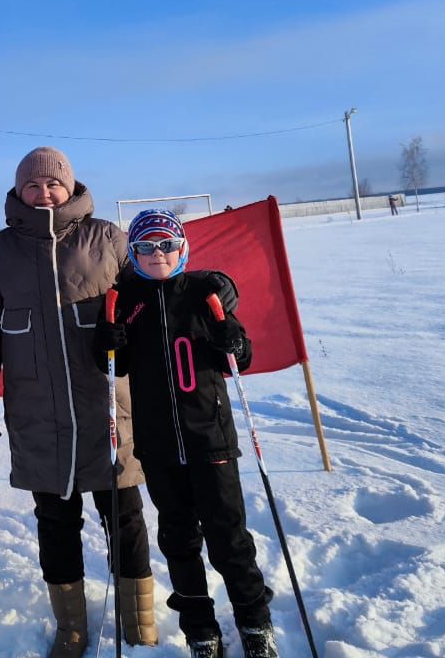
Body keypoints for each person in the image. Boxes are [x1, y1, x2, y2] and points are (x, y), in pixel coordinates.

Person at [0, 147, 157, 658]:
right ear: (18, 191)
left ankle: (139, 623)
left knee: (125, 515)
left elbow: (151, 301)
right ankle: (70, 625)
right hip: (37, 414)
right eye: (33, 185)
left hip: (107, 408)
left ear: (70, 187)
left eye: (53, 184)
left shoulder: (107, 238)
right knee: (55, 520)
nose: (44, 192)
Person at [94, 210, 276, 658]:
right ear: (133, 252)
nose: (158, 254)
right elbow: (111, 361)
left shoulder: (201, 291)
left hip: (210, 440)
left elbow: (241, 357)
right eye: (146, 247)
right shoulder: (126, 298)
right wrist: (108, 341)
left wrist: (230, 339)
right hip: (157, 446)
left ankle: (255, 624)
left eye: (166, 245)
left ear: (182, 248)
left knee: (229, 538)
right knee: (178, 540)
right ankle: (201, 632)